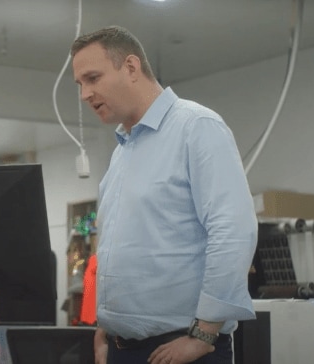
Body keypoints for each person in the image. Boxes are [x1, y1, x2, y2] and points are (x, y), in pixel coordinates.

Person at [70, 26, 258, 364]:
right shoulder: (123, 151)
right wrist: (106, 328)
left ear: (130, 67)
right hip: (120, 347)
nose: (85, 93)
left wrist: (205, 333)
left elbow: (233, 232)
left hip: (184, 347)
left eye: (93, 78)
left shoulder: (196, 127)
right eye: (80, 84)